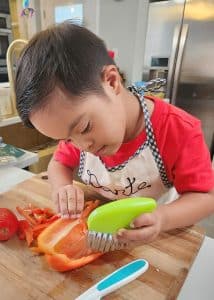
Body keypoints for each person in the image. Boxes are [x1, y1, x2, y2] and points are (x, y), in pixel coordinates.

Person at [15, 21, 214, 244]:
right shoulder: (76, 129)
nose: (82, 146)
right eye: (67, 139)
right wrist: (63, 188)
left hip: (150, 232)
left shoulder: (178, 130)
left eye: (84, 128)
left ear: (111, 81)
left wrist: (162, 218)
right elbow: (58, 163)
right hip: (102, 228)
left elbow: (204, 198)